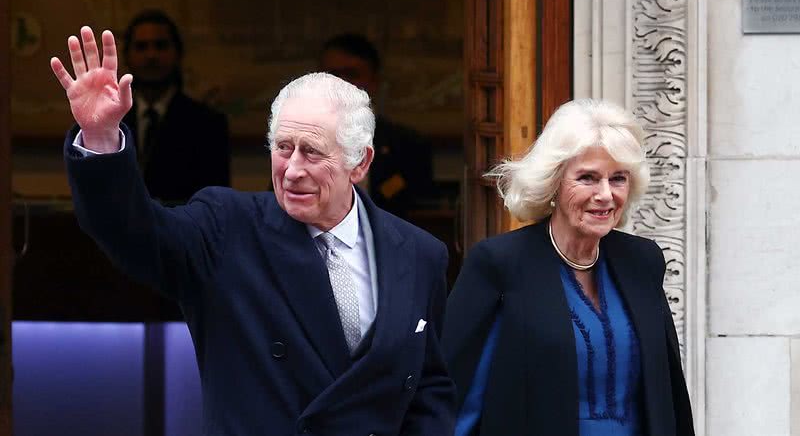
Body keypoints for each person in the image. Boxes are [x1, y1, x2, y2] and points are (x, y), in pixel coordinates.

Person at [50, 26, 455, 435]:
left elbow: (427, 387)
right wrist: (101, 139)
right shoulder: (226, 228)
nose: (293, 170)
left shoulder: (419, 254)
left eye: (312, 152)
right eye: (283, 148)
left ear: (360, 162)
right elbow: (134, 234)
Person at [442, 99, 694, 436]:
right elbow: (460, 393)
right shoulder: (500, 263)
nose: (605, 195)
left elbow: (670, 394)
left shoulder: (642, 261)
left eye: (617, 179)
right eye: (588, 178)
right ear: (554, 181)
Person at [320, 33, 434, 219]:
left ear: (373, 82)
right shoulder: (298, 141)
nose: (340, 83)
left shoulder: (409, 145)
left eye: (351, 74)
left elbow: (422, 214)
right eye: (332, 75)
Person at [122, 10, 230, 203]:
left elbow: (215, 203)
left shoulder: (207, 124)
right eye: (141, 47)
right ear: (127, 56)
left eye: (160, 46)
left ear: (178, 54)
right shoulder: (113, 122)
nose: (151, 55)